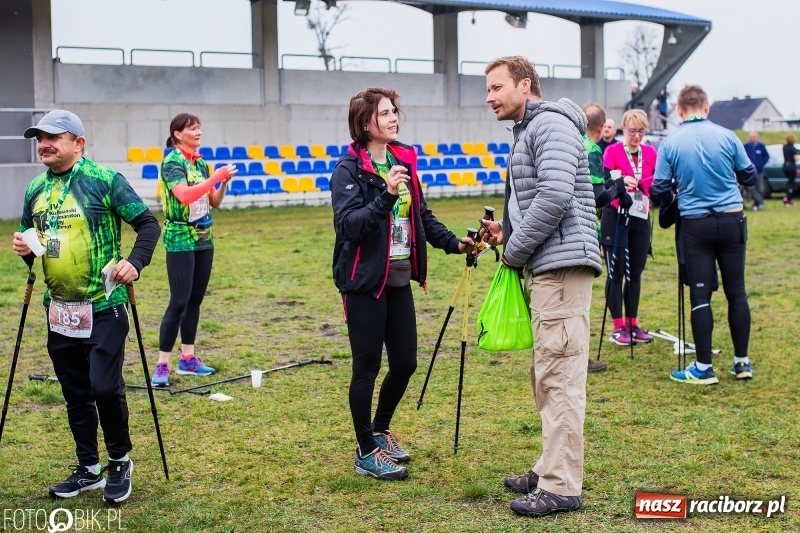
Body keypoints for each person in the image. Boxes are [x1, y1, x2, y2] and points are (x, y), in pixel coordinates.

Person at [11, 110, 160, 502]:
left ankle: (119, 461)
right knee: (75, 391)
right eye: (39, 138)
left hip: (103, 304)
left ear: (78, 143)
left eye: (52, 137)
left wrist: (135, 263)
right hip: (59, 309)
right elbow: (37, 244)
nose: (43, 144)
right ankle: (88, 468)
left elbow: (148, 224)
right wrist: (26, 250)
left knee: (104, 386)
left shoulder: (104, 180)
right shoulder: (35, 190)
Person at [330, 87, 474, 481]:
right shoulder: (348, 169)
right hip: (362, 283)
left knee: (406, 363)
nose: (394, 118)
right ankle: (365, 451)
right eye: (385, 113)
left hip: (397, 279)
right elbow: (349, 227)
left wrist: (453, 243)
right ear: (365, 123)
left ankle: (380, 429)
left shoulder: (402, 158)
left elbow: (421, 215)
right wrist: (387, 195)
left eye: (395, 112)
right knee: (366, 367)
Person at [481, 56, 602, 518]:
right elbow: (544, 198)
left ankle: (561, 485)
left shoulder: (548, 126)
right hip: (551, 265)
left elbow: (554, 196)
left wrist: (513, 252)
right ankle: (550, 465)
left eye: (496, 87)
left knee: (561, 377)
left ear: (525, 85)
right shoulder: (532, 130)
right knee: (548, 374)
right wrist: (507, 236)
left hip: (562, 268)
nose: (489, 97)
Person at [651, 84, 757, 385]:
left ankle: (703, 366)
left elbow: (659, 189)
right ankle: (741, 362)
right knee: (737, 291)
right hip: (732, 218)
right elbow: (749, 175)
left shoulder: (671, 143)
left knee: (700, 294)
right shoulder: (727, 136)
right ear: (707, 107)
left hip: (696, 224)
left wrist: (680, 190)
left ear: (680, 111)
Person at [151, 114, 237, 386]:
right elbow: (185, 195)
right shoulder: (172, 162)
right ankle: (162, 364)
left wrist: (222, 183)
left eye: (199, 127)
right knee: (178, 301)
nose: (198, 131)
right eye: (192, 128)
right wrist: (215, 177)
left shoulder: (200, 164)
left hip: (204, 237)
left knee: (195, 300)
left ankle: (187, 358)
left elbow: (215, 202)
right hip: (180, 237)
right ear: (177, 134)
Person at [601, 109, 657, 346]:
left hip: (640, 217)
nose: (636, 136)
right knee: (616, 273)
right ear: (624, 128)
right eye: (632, 131)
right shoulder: (612, 151)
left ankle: (633, 324)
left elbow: (656, 180)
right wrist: (622, 182)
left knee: (635, 272)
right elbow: (605, 183)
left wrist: (641, 184)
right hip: (616, 216)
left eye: (641, 131)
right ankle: (618, 327)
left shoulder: (651, 152)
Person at [582, 103, 610, 373]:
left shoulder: (573, 140)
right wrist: (617, 187)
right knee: (582, 299)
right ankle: (582, 356)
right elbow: (598, 196)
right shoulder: (591, 150)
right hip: (588, 228)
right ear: (602, 128)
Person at [743, 131, 768, 211]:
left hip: (759, 171)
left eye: (753, 137)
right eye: (751, 137)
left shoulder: (761, 146)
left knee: (759, 188)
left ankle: (757, 204)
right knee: (750, 187)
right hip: (749, 171)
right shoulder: (746, 146)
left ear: (756, 137)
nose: (752, 139)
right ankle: (760, 201)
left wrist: (761, 163)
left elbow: (766, 156)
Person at [782, 134, 798, 207]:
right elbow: (796, 158)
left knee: (789, 182)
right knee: (791, 184)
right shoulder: (792, 148)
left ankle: (787, 197)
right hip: (791, 167)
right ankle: (788, 199)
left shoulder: (784, 147)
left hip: (785, 167)